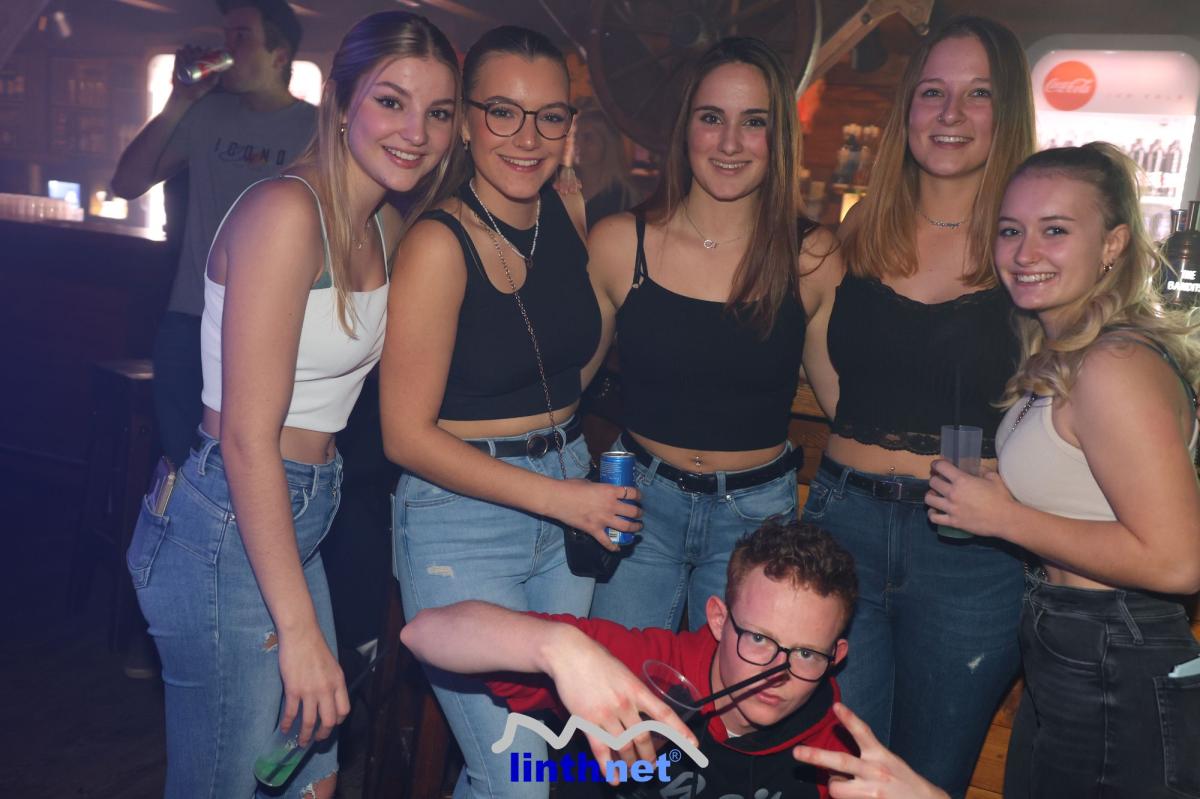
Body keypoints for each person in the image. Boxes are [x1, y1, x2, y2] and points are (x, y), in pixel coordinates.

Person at [124, 12, 461, 797]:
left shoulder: (384, 223)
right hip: (227, 521)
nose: (416, 131)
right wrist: (302, 630)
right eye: (392, 101)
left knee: (310, 783)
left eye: (438, 112)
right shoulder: (284, 213)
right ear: (340, 102)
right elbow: (247, 437)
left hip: (298, 514)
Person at [379, 26, 640, 799]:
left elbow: (568, 364)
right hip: (463, 520)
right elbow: (403, 436)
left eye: (550, 116)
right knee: (516, 776)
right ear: (465, 122)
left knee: (535, 772)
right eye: (503, 112)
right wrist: (562, 497)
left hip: (566, 500)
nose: (528, 138)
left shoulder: (563, 209)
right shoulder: (437, 243)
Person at [925, 142, 1200, 798]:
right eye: (1010, 231)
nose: (1025, 253)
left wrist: (1006, 518)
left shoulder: (1114, 366)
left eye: (1054, 230)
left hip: (1116, 650)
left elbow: (1180, 561)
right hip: (1078, 643)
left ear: (1113, 245)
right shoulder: (1069, 353)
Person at [587, 37, 843, 633]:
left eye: (753, 122)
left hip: (755, 519)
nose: (730, 143)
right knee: (618, 685)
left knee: (735, 693)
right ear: (685, 129)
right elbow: (559, 387)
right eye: (711, 118)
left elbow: (848, 410)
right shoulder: (620, 243)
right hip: (636, 506)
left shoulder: (810, 257)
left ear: (778, 137)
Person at [401, 520, 857, 799]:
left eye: (805, 653)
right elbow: (422, 633)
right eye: (758, 638)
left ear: (835, 657)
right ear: (719, 620)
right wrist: (559, 647)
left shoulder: (833, 744)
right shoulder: (646, 666)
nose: (776, 674)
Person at [111, 0, 317, 470]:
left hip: (274, 326)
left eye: (241, 37)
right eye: (226, 36)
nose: (227, 49)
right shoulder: (207, 115)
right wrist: (179, 100)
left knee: (250, 464)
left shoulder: (313, 129)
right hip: (189, 318)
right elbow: (126, 183)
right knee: (183, 461)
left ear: (279, 55)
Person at [571, 101, 641, 228]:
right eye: (575, 136)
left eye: (588, 137)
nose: (577, 144)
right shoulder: (564, 186)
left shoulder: (622, 197)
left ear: (608, 142)